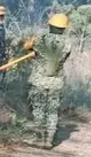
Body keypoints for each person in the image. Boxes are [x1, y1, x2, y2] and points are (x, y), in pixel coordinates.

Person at [26, 13, 72, 149]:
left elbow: (27, 47)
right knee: (52, 111)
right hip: (56, 82)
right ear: (64, 28)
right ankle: (49, 140)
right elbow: (63, 58)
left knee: (39, 109)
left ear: (50, 25)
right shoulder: (68, 44)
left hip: (39, 81)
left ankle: (39, 138)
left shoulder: (41, 39)